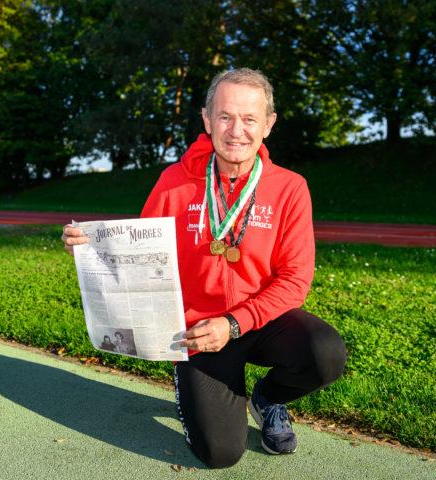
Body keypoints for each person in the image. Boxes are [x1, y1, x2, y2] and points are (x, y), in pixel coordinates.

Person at [62, 68, 347, 469]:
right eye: (226, 116)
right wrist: (90, 247)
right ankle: (203, 392)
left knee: (326, 353)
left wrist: (234, 323)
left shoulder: (289, 187)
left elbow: (295, 280)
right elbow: (139, 257)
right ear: (207, 119)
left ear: (268, 125)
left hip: (261, 319)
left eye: (250, 119)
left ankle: (269, 398)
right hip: (197, 329)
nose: (236, 130)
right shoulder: (174, 181)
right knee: (220, 454)